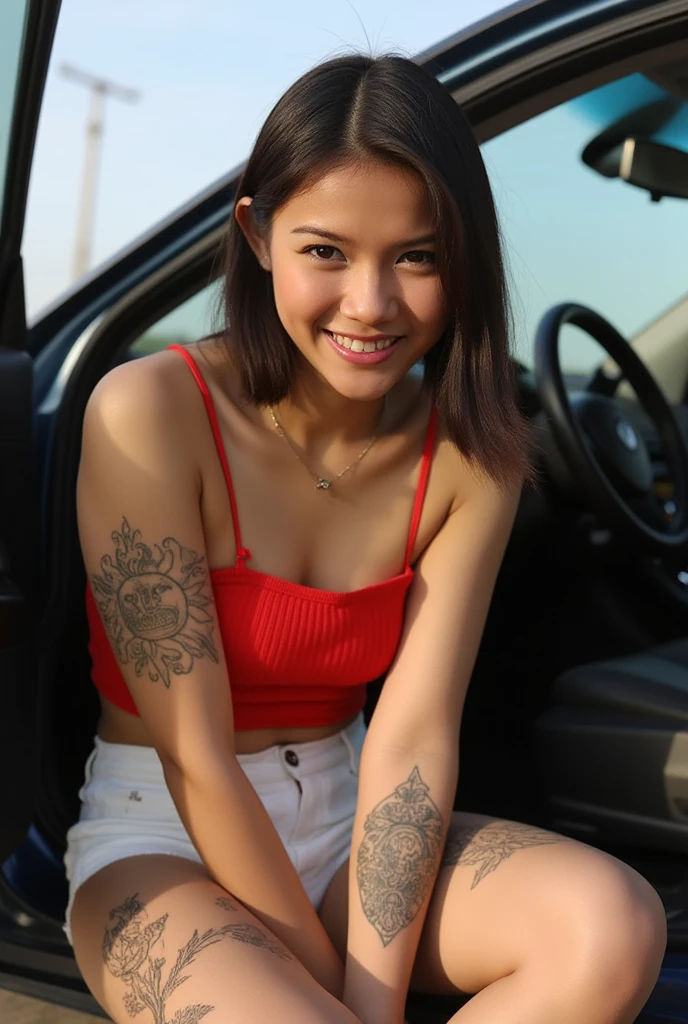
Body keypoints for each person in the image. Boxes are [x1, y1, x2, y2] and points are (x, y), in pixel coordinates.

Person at [65, 53, 666, 1024]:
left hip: (355, 820)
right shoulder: (150, 411)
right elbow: (197, 756)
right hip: (163, 833)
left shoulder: (474, 459)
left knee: (610, 928)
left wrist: (371, 998)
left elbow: (414, 741)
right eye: (326, 252)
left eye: (417, 256)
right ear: (257, 235)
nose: (370, 304)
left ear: (462, 257)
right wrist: (322, 986)